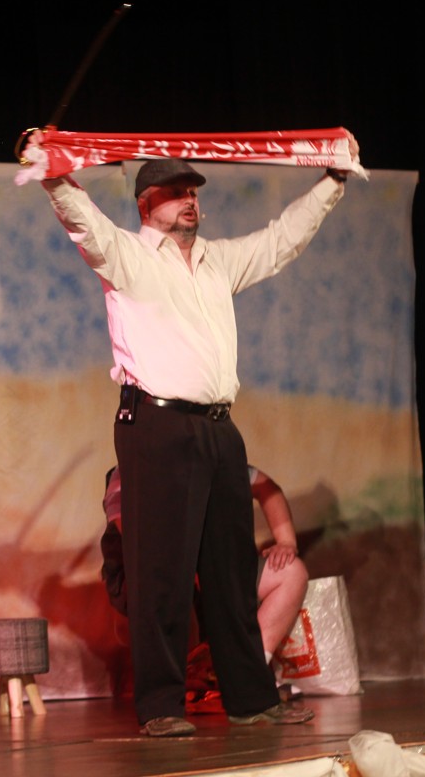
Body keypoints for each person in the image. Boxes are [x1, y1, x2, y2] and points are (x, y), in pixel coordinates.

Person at [29, 131, 356, 737]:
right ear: (146, 203)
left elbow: (281, 240)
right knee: (161, 571)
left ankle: (250, 698)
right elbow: (84, 223)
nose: (190, 201)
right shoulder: (128, 256)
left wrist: (332, 180)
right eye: (176, 192)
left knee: (230, 569)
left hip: (218, 430)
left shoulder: (216, 262)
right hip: (156, 425)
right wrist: (54, 173)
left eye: (193, 192)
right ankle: (160, 706)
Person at [99, 464, 309, 668]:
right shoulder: (131, 473)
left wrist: (286, 541)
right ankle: (191, 675)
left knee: (291, 573)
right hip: (152, 578)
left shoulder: (212, 461)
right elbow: (142, 544)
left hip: (213, 569)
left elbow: (266, 487)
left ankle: (248, 668)